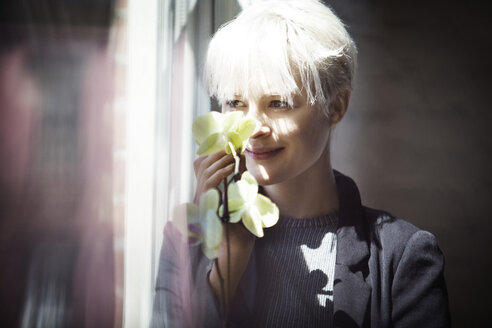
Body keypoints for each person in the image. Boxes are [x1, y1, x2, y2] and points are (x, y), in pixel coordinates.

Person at [152, 1, 450, 327]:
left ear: (336, 107)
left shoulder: (403, 257)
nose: (253, 128)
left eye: (279, 103)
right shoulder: (185, 243)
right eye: (235, 103)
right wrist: (223, 273)